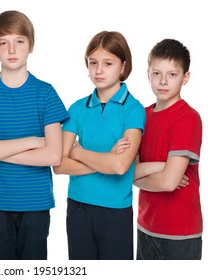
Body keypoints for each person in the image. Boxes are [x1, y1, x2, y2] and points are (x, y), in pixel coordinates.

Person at [0, 10, 69, 260]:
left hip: (36, 204)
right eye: (3, 43)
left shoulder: (46, 93)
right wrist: (32, 142)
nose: (12, 49)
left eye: (19, 41)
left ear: (30, 46)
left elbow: (53, 155)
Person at [53, 31, 146, 260]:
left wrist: (78, 151)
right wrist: (106, 161)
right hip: (78, 208)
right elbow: (59, 165)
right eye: (93, 63)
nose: (98, 70)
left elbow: (120, 166)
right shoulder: (76, 108)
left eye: (108, 63)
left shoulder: (133, 109)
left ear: (123, 67)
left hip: (115, 212)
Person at [134, 39, 203, 260]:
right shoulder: (140, 116)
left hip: (180, 234)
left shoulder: (187, 119)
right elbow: (126, 172)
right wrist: (162, 167)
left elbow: (168, 183)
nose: (163, 81)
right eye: (156, 73)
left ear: (186, 78)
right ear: (148, 74)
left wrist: (137, 176)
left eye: (172, 75)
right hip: (145, 227)